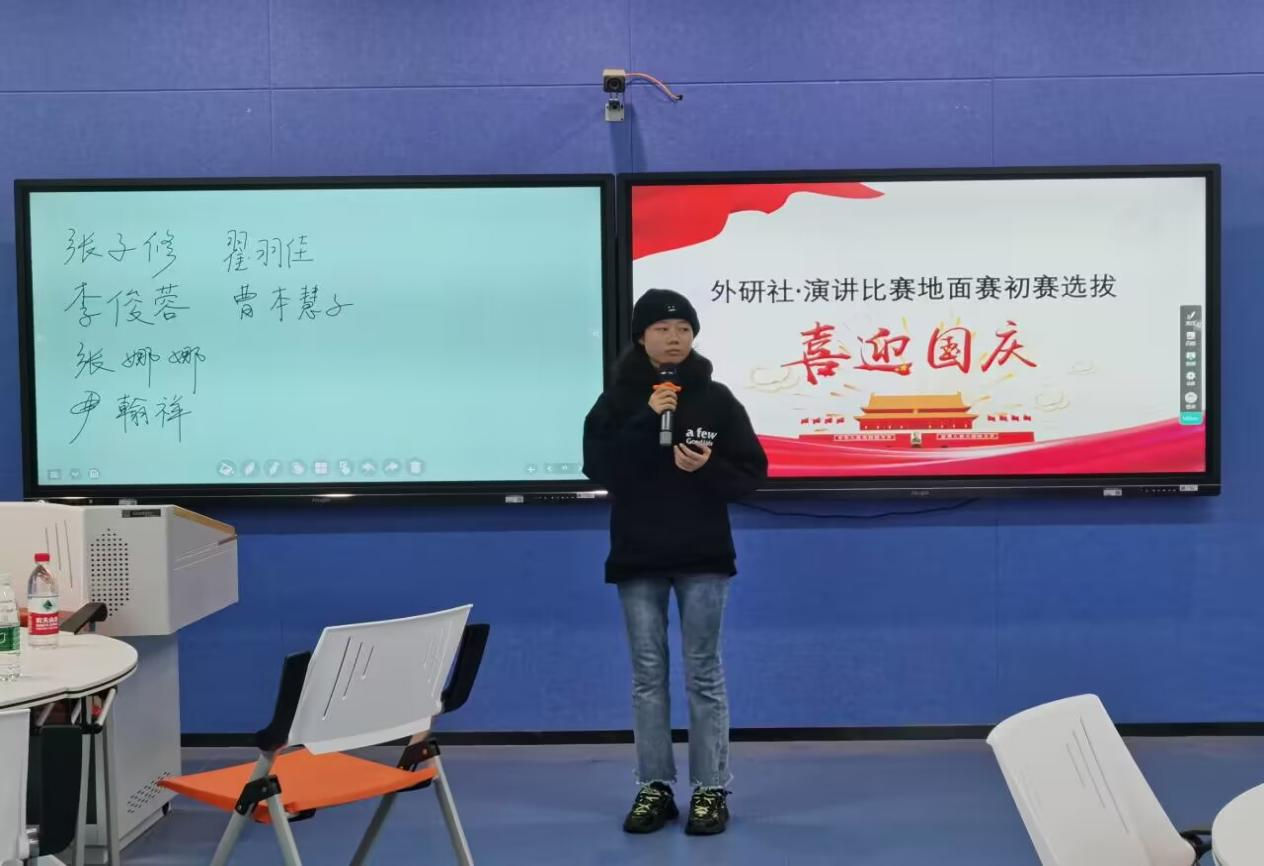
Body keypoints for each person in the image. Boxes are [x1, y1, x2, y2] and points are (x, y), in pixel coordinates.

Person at [582, 288, 768, 836]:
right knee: (648, 676)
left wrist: (706, 468)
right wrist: (647, 418)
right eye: (662, 329)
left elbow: (751, 474)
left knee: (704, 674)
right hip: (638, 554)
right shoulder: (617, 401)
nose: (674, 338)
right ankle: (654, 787)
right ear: (641, 337)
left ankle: (710, 789)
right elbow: (599, 467)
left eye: (684, 329)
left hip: (703, 555)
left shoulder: (717, 400)